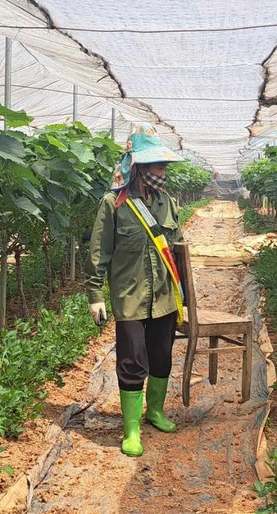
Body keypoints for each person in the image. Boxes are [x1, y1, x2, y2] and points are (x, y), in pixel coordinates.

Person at [86, 124, 186, 457]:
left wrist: (183, 295)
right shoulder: (113, 204)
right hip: (129, 297)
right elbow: (99, 253)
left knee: (162, 355)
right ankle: (130, 429)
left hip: (164, 297)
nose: (163, 172)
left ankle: (154, 411)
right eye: (158, 166)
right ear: (139, 168)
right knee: (132, 359)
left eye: (165, 166)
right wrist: (95, 296)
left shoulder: (167, 202)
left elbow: (176, 247)